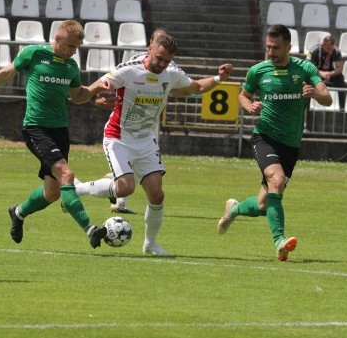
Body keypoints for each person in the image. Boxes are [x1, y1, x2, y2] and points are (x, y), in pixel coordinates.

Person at [73, 30, 233, 256]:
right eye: (159, 58)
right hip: (119, 137)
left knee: (157, 195)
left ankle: (150, 244)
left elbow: (196, 87)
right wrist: (93, 96)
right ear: (150, 48)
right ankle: (78, 188)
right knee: (125, 187)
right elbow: (97, 86)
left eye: (167, 60)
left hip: (146, 141)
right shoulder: (129, 70)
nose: (162, 64)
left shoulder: (171, 73)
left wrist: (218, 79)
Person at [0, 20, 112, 249]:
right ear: (58, 39)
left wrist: (95, 90)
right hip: (36, 128)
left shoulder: (71, 66)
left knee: (52, 193)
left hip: (60, 131)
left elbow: (77, 96)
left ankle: (19, 212)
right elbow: (6, 73)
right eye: (71, 46)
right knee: (67, 174)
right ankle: (91, 229)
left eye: (77, 48)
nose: (73, 52)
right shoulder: (34, 53)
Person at [217, 24, 332, 261]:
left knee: (262, 206)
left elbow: (327, 98)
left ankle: (234, 209)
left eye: (276, 48)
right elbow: (243, 95)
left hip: (290, 145)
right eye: (268, 47)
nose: (271, 52)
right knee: (276, 180)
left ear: (289, 47)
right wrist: (249, 106)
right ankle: (279, 242)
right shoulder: (258, 71)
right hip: (265, 137)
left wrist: (315, 94)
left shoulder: (304, 69)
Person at [307, 34, 344, 102]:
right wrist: (321, 73)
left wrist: (329, 74)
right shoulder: (313, 50)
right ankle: (307, 105)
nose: (330, 50)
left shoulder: (336, 51)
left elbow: (339, 69)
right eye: (328, 48)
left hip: (329, 73)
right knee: (307, 77)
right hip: (315, 72)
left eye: (331, 48)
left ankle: (341, 104)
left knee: (340, 77)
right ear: (323, 44)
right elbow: (309, 66)